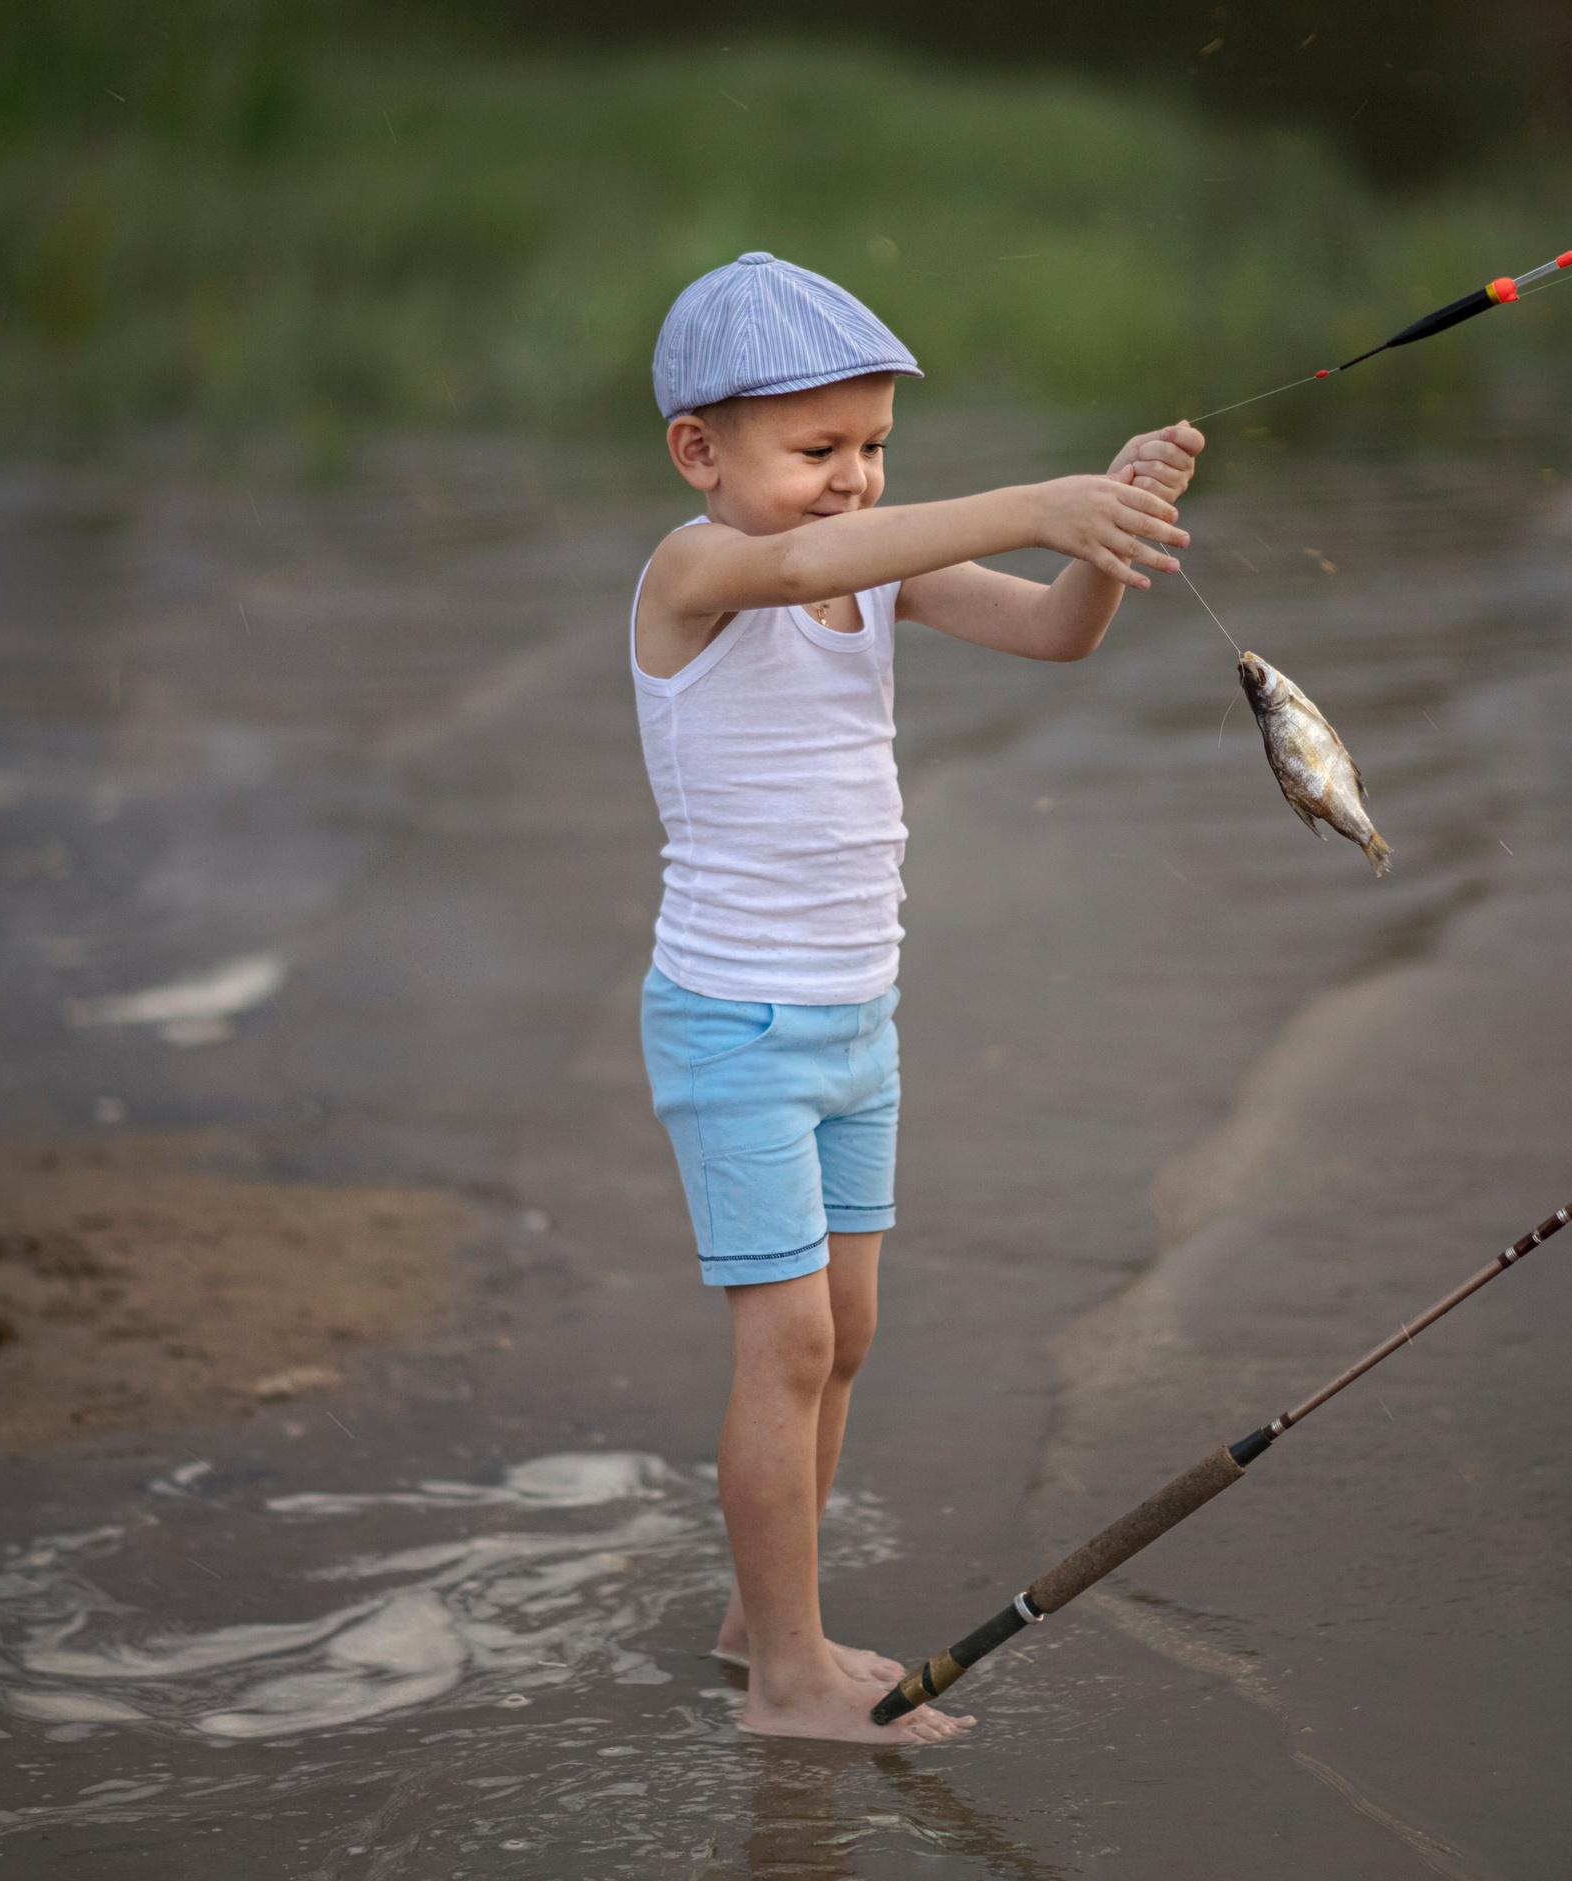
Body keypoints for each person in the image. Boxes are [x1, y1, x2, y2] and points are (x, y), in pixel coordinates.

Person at [631, 252, 1204, 1743]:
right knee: (791, 1341)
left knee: (854, 1328)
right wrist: (1036, 498)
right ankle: (785, 1681)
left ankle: (769, 1610)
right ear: (701, 450)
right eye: (816, 450)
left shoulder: (879, 561)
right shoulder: (692, 571)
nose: (853, 484)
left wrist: (1104, 528)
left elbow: (1056, 634)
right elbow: (806, 568)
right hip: (736, 1020)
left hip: (855, 1018)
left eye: (875, 448)